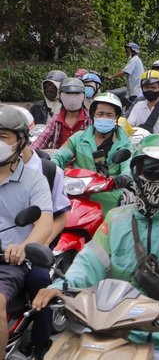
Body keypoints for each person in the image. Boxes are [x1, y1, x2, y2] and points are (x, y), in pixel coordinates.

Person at [32, 134, 159, 360]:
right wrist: (61, 286)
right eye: (153, 172)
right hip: (110, 331)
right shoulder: (116, 219)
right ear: (137, 172)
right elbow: (88, 264)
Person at [12, 106, 70, 359]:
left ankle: (40, 341)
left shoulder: (47, 171)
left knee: (39, 281)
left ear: (22, 137)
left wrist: (40, 244)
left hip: (34, 247)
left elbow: (61, 214)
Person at [0, 105, 53, 355]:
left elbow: (44, 220)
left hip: (9, 261)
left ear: (20, 141)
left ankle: (40, 341)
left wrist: (23, 247)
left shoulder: (35, 181)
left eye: (2, 136)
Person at [52, 93, 133, 218]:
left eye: (109, 115)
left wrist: (125, 176)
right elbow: (60, 157)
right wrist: (50, 167)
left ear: (116, 117)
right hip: (76, 194)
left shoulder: (124, 144)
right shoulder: (78, 138)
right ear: (93, 115)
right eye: (100, 114)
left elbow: (128, 165)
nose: (104, 117)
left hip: (109, 197)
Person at [31, 77, 91, 151]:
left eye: (77, 94)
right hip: (58, 160)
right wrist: (28, 152)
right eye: (68, 94)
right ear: (60, 96)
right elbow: (43, 138)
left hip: (83, 160)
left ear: (83, 96)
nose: (72, 99)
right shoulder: (56, 118)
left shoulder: (90, 118)